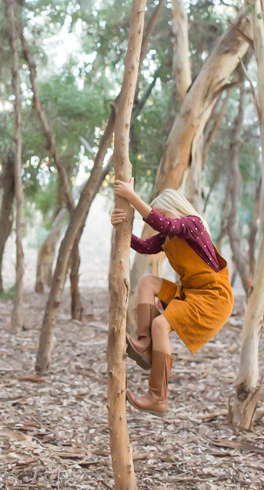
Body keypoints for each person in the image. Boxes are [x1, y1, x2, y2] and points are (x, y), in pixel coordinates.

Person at [111, 179, 234, 418]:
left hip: (213, 297)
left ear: (175, 208)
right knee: (147, 281)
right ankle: (145, 344)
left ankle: (158, 397)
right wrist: (123, 227)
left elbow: (165, 224)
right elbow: (144, 246)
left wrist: (132, 197)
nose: (159, 221)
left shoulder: (192, 224)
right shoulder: (168, 237)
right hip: (191, 292)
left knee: (161, 324)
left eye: (162, 213)